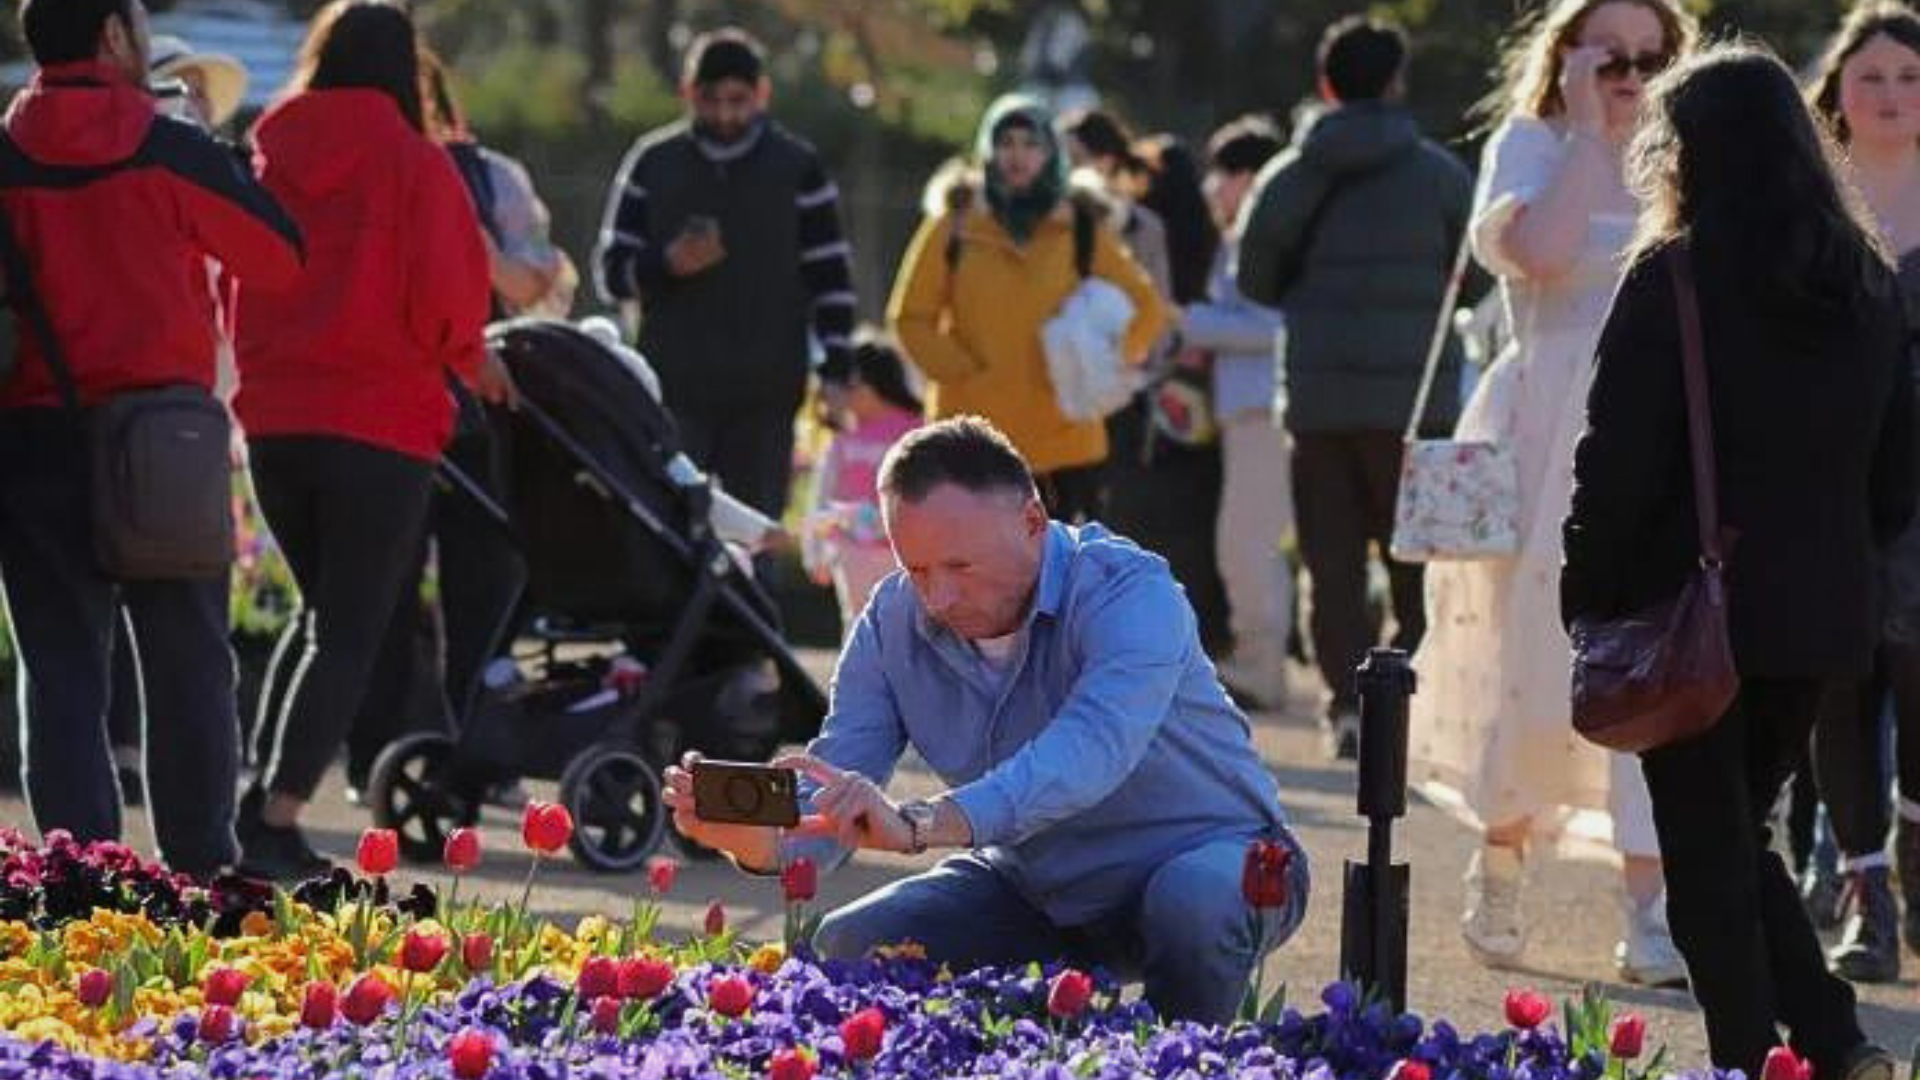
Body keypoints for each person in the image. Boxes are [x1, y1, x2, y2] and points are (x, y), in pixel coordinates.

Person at [662, 416, 1309, 1026]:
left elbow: (1089, 753)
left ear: (1032, 521)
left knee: (1191, 902)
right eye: (916, 569)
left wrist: (922, 823)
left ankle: (1190, 1056)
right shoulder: (891, 620)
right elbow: (835, 787)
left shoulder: (1129, 589)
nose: (938, 597)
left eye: (960, 566)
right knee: (849, 943)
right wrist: (758, 844)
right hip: (1039, 889)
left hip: (1222, 863)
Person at [1564, 43, 1914, 1080]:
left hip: (1690, 602)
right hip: (1821, 611)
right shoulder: (1866, 282)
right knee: (1733, 834)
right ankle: (1832, 1039)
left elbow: (1616, 459)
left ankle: (1753, 1056)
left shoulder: (1675, 277)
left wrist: (1588, 589)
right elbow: (1899, 472)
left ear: (1689, 154)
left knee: (1709, 850)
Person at [1408, 0, 1695, 986]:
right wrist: (1584, 128)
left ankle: (1650, 907)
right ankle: (1501, 866)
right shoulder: (1533, 144)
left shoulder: (1682, 152)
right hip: (1540, 431)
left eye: (1652, 56)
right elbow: (1536, 254)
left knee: (1651, 664)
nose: (1632, 75)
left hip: (1655, 432)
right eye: (1611, 55)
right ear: (1569, 55)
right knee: (1526, 659)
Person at [0, 0, 301, 875]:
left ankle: (80, 873)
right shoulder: (167, 146)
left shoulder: (6, 153)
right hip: (162, 440)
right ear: (112, 36)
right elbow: (280, 256)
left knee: (60, 668)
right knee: (188, 664)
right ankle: (198, 866)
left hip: (30, 435)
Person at [235, 0, 499, 879]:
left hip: (276, 421)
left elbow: (239, 282)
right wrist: (470, 362)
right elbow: (452, 303)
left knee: (319, 618)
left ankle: (254, 798)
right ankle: (276, 816)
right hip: (379, 422)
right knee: (348, 631)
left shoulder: (269, 157)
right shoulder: (417, 166)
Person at [339, 50, 575, 804]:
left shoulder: (493, 178)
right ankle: (380, 756)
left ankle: (485, 755)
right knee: (386, 593)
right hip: (388, 408)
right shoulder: (355, 177)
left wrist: (471, 245)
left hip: (479, 409)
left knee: (487, 592)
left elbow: (542, 285)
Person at [1236, 16, 1475, 757]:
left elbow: (1254, 279)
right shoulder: (1441, 176)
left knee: (1332, 562)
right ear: (1397, 82)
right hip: (1416, 404)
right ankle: (1412, 702)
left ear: (1326, 83)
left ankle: (1346, 705)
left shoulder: (1289, 177)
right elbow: (1474, 279)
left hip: (1319, 404)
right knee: (1417, 562)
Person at [593, 27, 853, 520]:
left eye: (738, 100)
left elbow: (832, 279)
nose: (725, 115)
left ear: (762, 94)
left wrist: (836, 371)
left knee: (756, 533)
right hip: (673, 386)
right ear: (688, 93)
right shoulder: (653, 162)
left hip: (767, 389)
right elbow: (610, 273)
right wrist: (666, 264)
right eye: (710, 100)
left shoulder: (798, 168)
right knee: (669, 526)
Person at [890, 94, 1169, 523]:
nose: (1017, 155)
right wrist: (964, 372)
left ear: (1051, 152)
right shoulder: (954, 223)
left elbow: (1145, 305)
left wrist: (1107, 366)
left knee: (1063, 565)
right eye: (1005, 143)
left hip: (1066, 441)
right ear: (987, 150)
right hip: (974, 441)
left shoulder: (1080, 224)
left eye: (1030, 144)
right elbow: (910, 317)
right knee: (977, 562)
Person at [1803, 0, 1920, 984]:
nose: (1890, 93)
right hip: (1826, 476)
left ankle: (1915, 860)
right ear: (1836, 88)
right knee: (1840, 685)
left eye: (1911, 77)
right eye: (1870, 75)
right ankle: (1865, 896)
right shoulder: (1808, 200)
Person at [1188, 115, 1292, 709]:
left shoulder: (1264, 238)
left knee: (1246, 545)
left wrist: (1189, 323)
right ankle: (1262, 661)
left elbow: (1273, 326)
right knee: (1252, 545)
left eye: (1223, 173)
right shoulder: (1248, 236)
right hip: (1252, 407)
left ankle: (1260, 667)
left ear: (1250, 178)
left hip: (1262, 407)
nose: (1213, 187)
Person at [803, 335, 924, 635]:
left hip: (905, 549)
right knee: (858, 622)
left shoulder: (917, 430)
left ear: (867, 385)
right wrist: (815, 550)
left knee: (907, 624)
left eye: (847, 387)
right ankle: (857, 667)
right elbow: (823, 495)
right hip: (850, 549)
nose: (838, 397)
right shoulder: (843, 438)